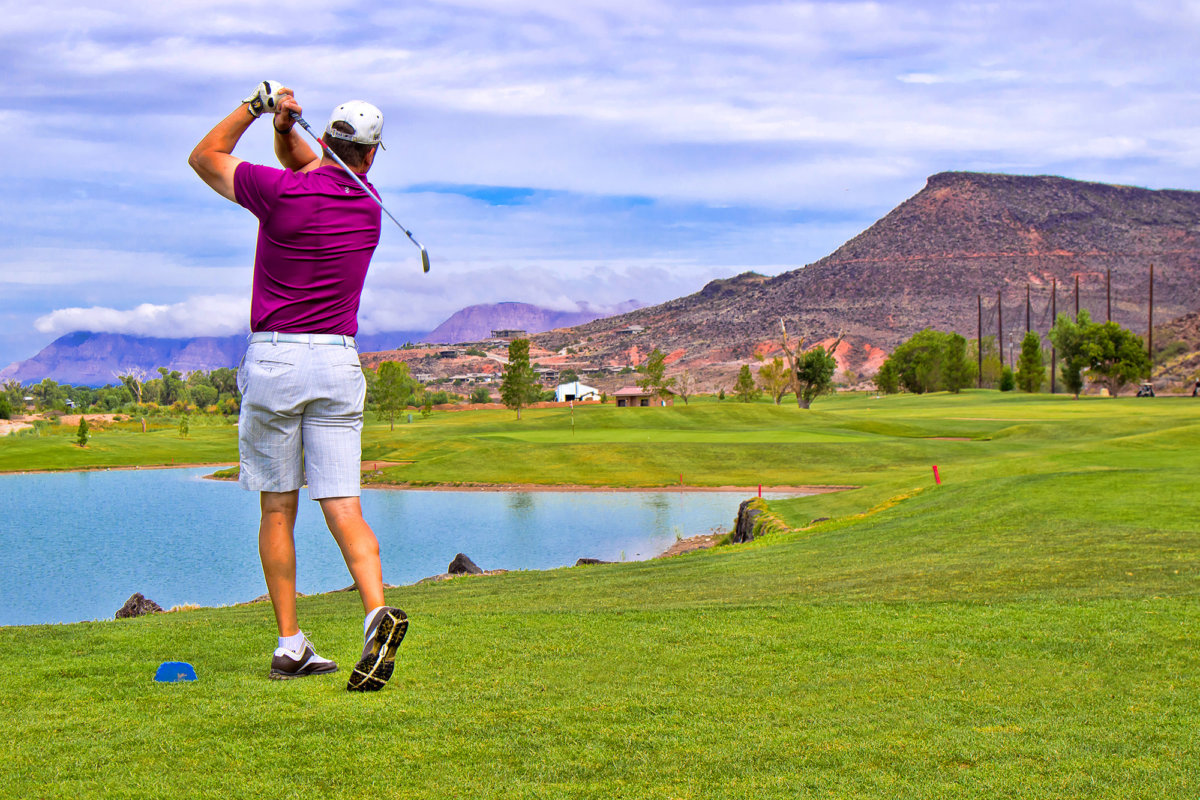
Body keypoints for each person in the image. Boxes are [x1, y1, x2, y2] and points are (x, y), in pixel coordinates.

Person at [189, 81, 407, 691]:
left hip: (277, 361)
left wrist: (258, 109)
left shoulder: (278, 191)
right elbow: (318, 165)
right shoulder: (368, 205)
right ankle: (374, 615)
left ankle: (291, 645)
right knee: (344, 506)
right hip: (339, 365)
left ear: (329, 140)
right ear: (370, 155)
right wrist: (287, 130)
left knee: (278, 507)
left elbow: (204, 156)